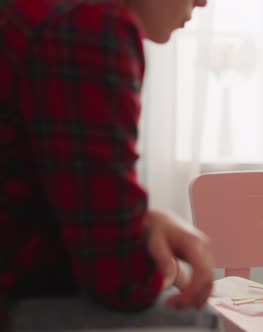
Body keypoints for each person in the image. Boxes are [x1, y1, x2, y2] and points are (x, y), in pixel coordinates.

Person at [0, 0, 214, 329]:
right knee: (198, 318)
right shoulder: (91, 26)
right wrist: (164, 266)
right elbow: (122, 281)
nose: (203, 2)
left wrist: (144, 222)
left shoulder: (45, 15)